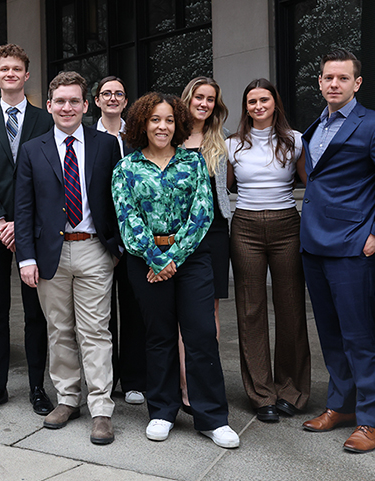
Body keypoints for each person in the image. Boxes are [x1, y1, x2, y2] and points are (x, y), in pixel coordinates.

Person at [300, 49, 375, 453]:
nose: (334, 84)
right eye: (327, 77)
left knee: (360, 337)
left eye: (342, 78)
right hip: (313, 246)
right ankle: (341, 406)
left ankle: (370, 419)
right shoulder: (314, 127)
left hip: (353, 247)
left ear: (357, 83)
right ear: (320, 82)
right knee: (331, 335)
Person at [112, 92, 239, 449]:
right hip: (146, 260)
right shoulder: (127, 168)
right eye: (155, 120)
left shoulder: (194, 163)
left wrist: (173, 259)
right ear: (142, 124)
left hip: (192, 259)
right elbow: (127, 220)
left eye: (168, 120)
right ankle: (163, 411)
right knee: (159, 337)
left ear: (178, 123)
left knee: (200, 334)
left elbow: (203, 214)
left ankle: (212, 418)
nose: (163, 126)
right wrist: (155, 257)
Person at [15, 71, 121, 445]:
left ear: (86, 105)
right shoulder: (32, 149)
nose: (67, 107)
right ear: (49, 105)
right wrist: (26, 258)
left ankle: (102, 409)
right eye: (60, 101)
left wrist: (118, 248)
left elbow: (117, 199)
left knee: (95, 331)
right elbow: (23, 209)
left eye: (74, 100)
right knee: (59, 330)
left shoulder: (106, 145)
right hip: (50, 255)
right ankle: (67, 399)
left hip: (94, 248)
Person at [0, 44, 55, 416]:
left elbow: (49, 176)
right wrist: (2, 221)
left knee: (36, 313)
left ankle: (37, 387)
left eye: (17, 68)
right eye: (4, 69)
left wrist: (23, 223)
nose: (11, 74)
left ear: (27, 75)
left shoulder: (45, 119)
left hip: (33, 230)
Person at [226, 78, 311, 423]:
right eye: (251, 101)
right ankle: (261, 393)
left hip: (287, 225)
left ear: (275, 103)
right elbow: (223, 188)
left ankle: (291, 390)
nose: (258, 106)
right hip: (244, 226)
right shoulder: (232, 144)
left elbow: (312, 182)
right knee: (251, 309)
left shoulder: (295, 141)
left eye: (264, 99)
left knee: (290, 305)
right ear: (245, 106)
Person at [177, 76, 231, 413]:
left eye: (210, 99)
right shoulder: (171, 136)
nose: (204, 104)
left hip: (214, 233)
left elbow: (223, 191)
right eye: (199, 97)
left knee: (209, 311)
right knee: (181, 312)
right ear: (188, 98)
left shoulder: (219, 142)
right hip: (178, 235)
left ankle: (204, 378)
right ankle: (184, 385)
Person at [93, 75, 146, 406]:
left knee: (134, 309)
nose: (112, 98)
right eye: (106, 94)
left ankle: (135, 379)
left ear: (125, 101)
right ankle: (106, 378)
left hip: (135, 237)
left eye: (118, 94)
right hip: (100, 237)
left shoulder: (137, 138)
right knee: (102, 314)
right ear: (96, 100)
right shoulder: (86, 137)